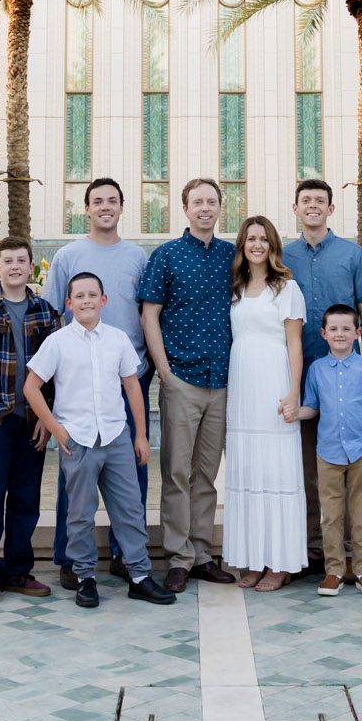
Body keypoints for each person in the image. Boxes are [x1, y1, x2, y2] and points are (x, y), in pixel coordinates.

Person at [24, 272, 178, 610]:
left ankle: (139, 576)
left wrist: (139, 433)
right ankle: (85, 578)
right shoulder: (58, 342)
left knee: (130, 509)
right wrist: (55, 427)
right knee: (80, 514)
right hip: (76, 439)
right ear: (69, 303)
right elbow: (31, 387)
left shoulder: (118, 339)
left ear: (104, 300)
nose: (86, 301)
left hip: (116, 436)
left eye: (93, 294)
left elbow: (133, 387)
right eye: (79, 296)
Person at [44, 177, 152, 590]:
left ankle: (129, 557)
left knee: (133, 472)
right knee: (74, 473)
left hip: (129, 377)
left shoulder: (137, 256)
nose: (105, 206)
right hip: (76, 382)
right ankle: (71, 560)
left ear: (122, 207)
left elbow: (146, 312)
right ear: (86, 209)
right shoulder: (68, 256)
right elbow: (55, 317)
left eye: (112, 200)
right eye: (97, 201)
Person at [138, 177, 238, 592]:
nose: (205, 208)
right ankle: (177, 557)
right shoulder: (166, 256)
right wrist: (163, 370)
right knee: (177, 472)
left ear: (220, 208)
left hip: (223, 380)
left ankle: (201, 553)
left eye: (211, 202)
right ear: (184, 208)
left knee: (207, 475)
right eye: (197, 202)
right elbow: (149, 314)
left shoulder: (233, 257)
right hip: (181, 378)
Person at [280, 178, 362, 565]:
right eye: (305, 200)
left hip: (349, 379)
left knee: (353, 473)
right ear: (296, 208)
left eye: (320, 201)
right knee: (308, 470)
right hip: (302, 376)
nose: (312, 206)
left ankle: (356, 559)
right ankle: (313, 552)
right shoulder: (284, 257)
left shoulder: (353, 255)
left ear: (331, 209)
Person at [0, 236, 63, 603]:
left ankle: (18, 571)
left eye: (22, 260)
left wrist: (44, 417)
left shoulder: (45, 311)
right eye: (8, 260)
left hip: (30, 421)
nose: (16, 266)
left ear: (31, 267)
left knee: (25, 498)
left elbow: (56, 371)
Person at [221, 215, 307, 591]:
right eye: (250, 239)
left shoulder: (286, 288)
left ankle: (280, 563)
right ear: (242, 245)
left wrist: (293, 392)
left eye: (263, 239)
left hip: (274, 383)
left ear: (273, 246)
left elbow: (294, 343)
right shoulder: (236, 287)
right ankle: (254, 560)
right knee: (247, 471)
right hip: (242, 389)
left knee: (276, 472)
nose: (257, 245)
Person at [291, 304, 362, 597]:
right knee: (331, 515)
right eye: (333, 329)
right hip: (328, 453)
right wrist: (295, 412)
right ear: (323, 334)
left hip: (360, 450)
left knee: (360, 513)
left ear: (358, 333)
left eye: (346, 329)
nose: (340, 334)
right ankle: (333, 570)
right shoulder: (317, 370)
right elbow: (312, 407)